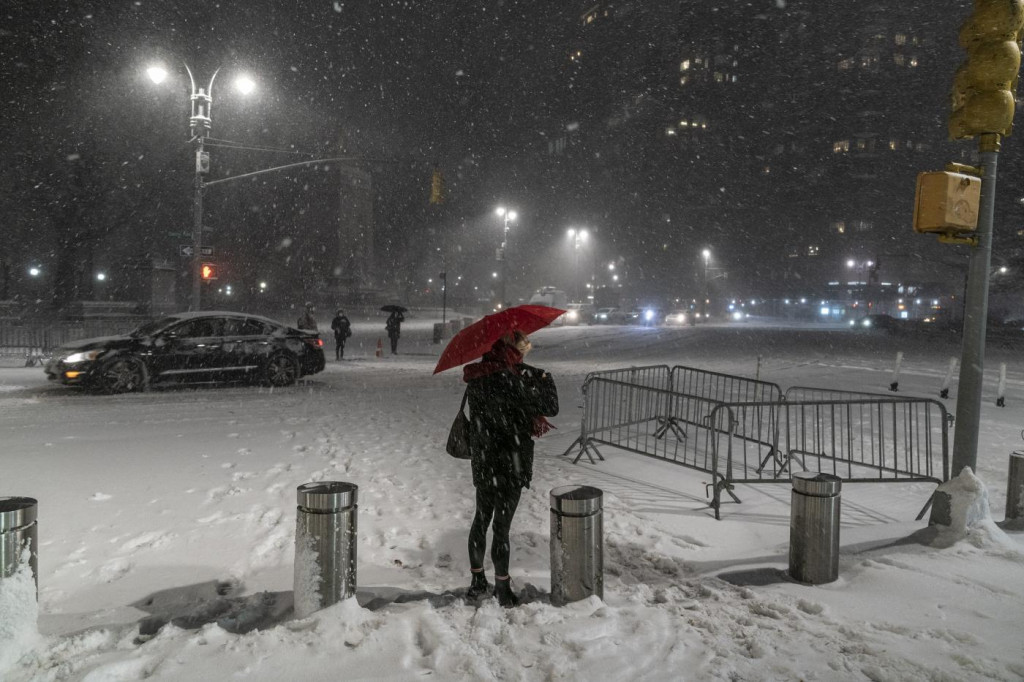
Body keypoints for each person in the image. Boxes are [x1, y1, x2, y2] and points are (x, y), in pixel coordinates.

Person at [461, 329, 558, 607]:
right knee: (501, 528)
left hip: (484, 458)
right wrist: (539, 380)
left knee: (481, 518)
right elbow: (551, 407)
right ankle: (502, 588)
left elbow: (480, 412)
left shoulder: (478, 374)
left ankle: (477, 580)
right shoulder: (525, 376)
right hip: (511, 460)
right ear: (519, 348)